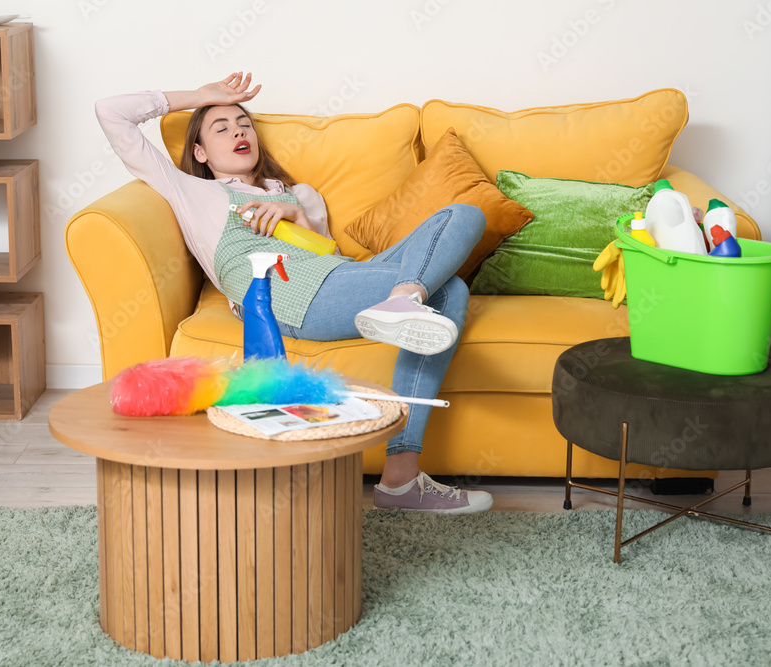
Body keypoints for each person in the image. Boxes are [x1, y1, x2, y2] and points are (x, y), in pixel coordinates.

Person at [96, 72, 493, 513]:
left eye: (244, 123)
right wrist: (201, 96)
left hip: (336, 278)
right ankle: (401, 479)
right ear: (200, 152)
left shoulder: (299, 194)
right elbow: (110, 112)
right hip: (286, 298)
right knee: (448, 290)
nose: (238, 132)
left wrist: (293, 213)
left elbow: (331, 256)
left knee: (464, 213)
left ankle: (405, 296)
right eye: (221, 128)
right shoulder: (194, 193)